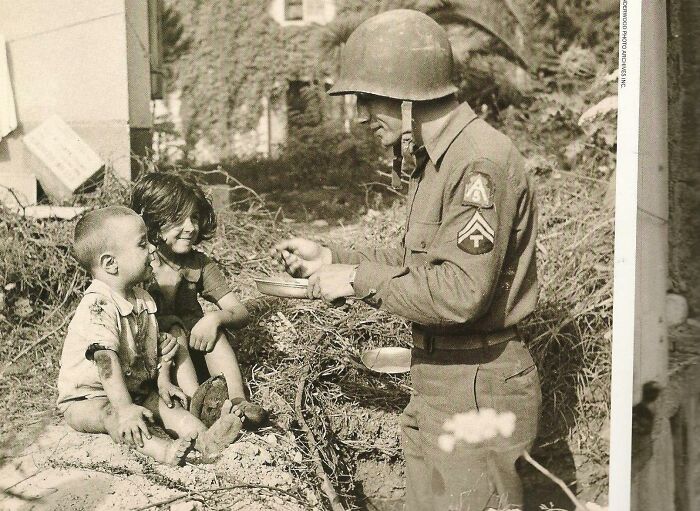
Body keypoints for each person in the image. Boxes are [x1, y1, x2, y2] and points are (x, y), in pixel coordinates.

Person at [272, 9, 542, 511]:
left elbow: (460, 293)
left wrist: (356, 279)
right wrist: (333, 256)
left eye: (366, 100)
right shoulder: (438, 159)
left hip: (476, 384)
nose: (360, 117)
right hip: (441, 379)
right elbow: (417, 258)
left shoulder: (476, 163)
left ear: (405, 101)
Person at [57, 206, 244, 464]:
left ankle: (206, 439)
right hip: (87, 399)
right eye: (142, 244)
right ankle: (162, 450)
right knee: (115, 417)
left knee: (170, 408)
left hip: (135, 390)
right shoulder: (98, 306)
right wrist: (124, 408)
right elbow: (105, 361)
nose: (153, 251)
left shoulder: (142, 299)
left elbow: (153, 349)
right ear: (111, 263)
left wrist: (163, 380)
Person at [130, 172, 267, 428]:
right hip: (152, 354)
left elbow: (239, 311)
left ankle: (238, 400)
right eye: (178, 219)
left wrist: (215, 318)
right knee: (175, 329)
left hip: (192, 352)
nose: (191, 227)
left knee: (214, 334)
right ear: (152, 221)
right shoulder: (140, 262)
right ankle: (196, 404)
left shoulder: (200, 264)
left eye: (194, 217)